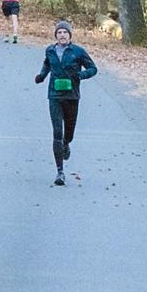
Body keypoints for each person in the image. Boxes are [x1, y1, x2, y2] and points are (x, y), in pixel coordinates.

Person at [34, 20, 98, 187]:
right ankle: (60, 171)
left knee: (68, 133)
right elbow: (47, 64)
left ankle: (67, 143)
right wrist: (41, 76)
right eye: (59, 33)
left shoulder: (77, 51)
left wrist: (80, 76)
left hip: (72, 96)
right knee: (57, 132)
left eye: (65, 33)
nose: (62, 35)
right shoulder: (50, 50)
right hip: (54, 95)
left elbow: (93, 69)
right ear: (56, 35)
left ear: (70, 35)